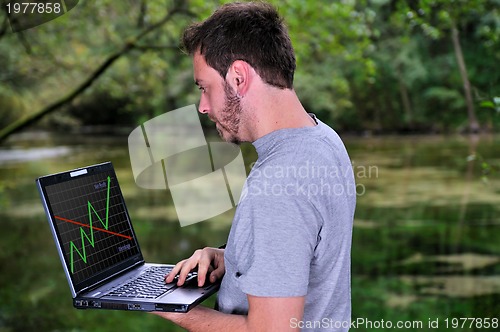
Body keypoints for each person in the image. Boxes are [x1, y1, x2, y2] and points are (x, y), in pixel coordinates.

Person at [154, 2, 356, 331]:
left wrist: (170, 306)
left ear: (238, 77)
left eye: (205, 88)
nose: (203, 107)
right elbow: (303, 253)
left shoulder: (281, 182)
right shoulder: (323, 140)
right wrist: (230, 258)